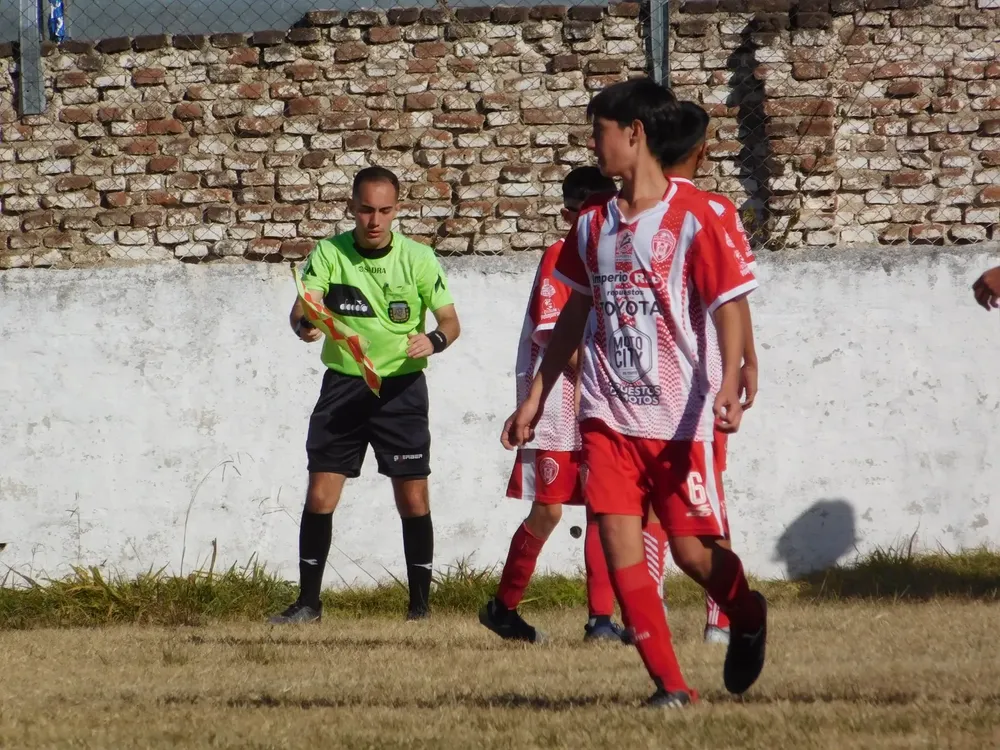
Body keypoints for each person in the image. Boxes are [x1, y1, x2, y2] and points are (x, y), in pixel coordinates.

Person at [501, 79, 767, 707]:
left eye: (600, 131)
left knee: (692, 554)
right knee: (622, 547)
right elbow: (572, 314)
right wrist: (537, 397)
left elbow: (729, 304)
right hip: (605, 415)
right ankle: (672, 688)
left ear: (634, 134)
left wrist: (730, 378)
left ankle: (748, 613)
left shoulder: (695, 216)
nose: (593, 144)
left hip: (679, 418)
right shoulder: (591, 223)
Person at [270, 166, 461, 624]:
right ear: (351, 208)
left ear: (398, 210)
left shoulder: (418, 258)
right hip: (344, 386)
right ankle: (308, 604)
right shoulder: (330, 253)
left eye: (384, 211)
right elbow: (304, 305)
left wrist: (432, 341)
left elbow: (451, 323)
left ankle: (419, 609)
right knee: (320, 495)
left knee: (413, 499)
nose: (375, 220)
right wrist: (305, 325)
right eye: (366, 210)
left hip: (401, 390)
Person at [479, 166, 630, 644]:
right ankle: (503, 608)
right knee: (548, 511)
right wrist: (605, 383)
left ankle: (600, 620)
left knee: (604, 509)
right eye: (594, 211)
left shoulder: (613, 256)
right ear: (570, 215)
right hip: (559, 408)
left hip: (598, 404)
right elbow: (557, 338)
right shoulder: (560, 257)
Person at [654, 101, 761, 647]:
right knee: (673, 500)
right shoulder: (632, 209)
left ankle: (721, 615)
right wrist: (747, 359)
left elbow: (729, 292)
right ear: (703, 150)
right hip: (659, 386)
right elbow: (737, 298)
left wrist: (742, 360)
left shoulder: (709, 210)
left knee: (690, 500)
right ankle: (659, 614)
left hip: (690, 383)